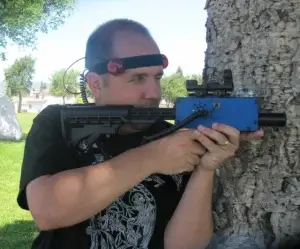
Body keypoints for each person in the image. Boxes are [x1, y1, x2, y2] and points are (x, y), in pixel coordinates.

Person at [17, 18, 264, 249]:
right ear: (95, 84)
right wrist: (153, 157)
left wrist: (205, 168)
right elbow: (46, 211)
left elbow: (184, 245)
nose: (153, 93)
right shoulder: (57, 122)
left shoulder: (175, 133)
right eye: (137, 79)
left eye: (157, 77)